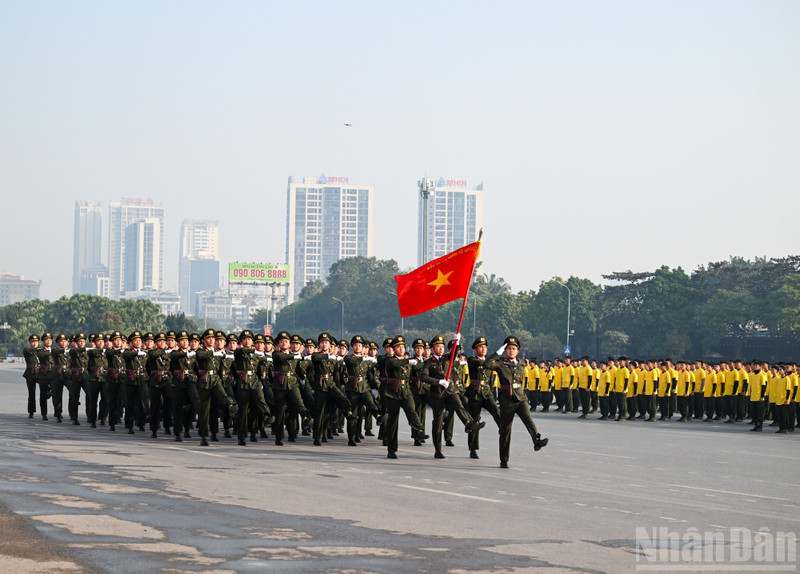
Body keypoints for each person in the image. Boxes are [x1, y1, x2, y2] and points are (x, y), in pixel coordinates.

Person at [483, 336, 548, 468]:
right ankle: (504, 459)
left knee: (528, 419)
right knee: (505, 429)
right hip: (507, 400)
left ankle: (536, 440)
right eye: (509, 348)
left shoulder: (522, 363)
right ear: (505, 350)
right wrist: (497, 352)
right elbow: (487, 364)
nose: (511, 350)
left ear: (517, 351)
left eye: (514, 348)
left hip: (520, 397)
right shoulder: (500, 363)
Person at [421, 335, 483, 460]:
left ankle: (468, 423)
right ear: (433, 348)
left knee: (458, 404)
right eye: (438, 347)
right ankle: (438, 450)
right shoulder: (429, 362)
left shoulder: (447, 358)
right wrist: (438, 382)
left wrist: (457, 340)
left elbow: (454, 352)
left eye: (442, 346)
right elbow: (423, 377)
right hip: (437, 393)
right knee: (438, 421)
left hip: (450, 390)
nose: (441, 349)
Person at [383, 336, 425, 459]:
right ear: (394, 348)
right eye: (398, 347)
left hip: (406, 391)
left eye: (402, 347)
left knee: (412, 410)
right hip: (392, 392)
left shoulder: (409, 361)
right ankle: (391, 449)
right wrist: (408, 361)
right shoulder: (390, 360)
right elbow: (395, 364)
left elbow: (420, 366)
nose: (401, 349)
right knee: (393, 421)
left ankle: (419, 431)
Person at [465, 336, 502, 459]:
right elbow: (483, 363)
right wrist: (495, 355)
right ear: (476, 349)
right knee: (475, 421)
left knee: (496, 410)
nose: (483, 349)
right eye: (481, 347)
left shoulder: (490, 362)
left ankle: (502, 428)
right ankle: (473, 448)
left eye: (485, 347)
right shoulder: (472, 360)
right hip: (475, 393)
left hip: (486, 391)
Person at [23, 334, 42, 419]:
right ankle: (31, 411)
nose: (34, 343)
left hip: (40, 372)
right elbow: (31, 351)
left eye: (36, 342)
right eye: (32, 342)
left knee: (45, 391)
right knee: (31, 393)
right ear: (30, 343)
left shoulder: (41, 350)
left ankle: (44, 412)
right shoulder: (27, 350)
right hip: (30, 373)